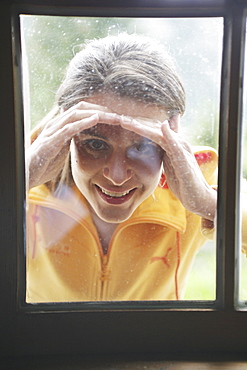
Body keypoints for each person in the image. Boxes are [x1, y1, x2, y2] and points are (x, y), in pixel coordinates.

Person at [26, 33, 221, 303]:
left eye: (143, 146)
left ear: (173, 130)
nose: (117, 176)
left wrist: (208, 204)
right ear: (66, 128)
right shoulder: (27, 170)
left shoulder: (198, 179)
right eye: (95, 144)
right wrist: (17, 181)